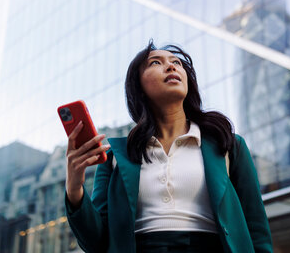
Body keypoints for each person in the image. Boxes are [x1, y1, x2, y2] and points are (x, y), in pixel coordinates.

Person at [65, 41, 272, 253]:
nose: (172, 66)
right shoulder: (116, 155)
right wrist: (74, 189)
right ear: (138, 86)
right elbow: (96, 242)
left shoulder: (227, 144)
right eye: (155, 62)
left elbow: (256, 227)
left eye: (177, 63)